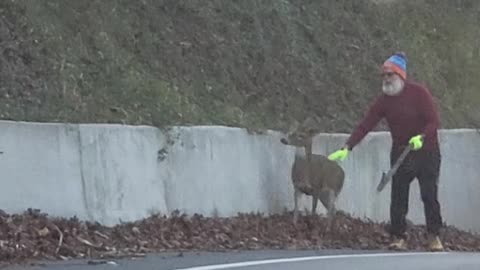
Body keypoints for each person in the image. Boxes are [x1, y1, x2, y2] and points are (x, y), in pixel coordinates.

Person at [327, 52, 444, 251]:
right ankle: (398, 236)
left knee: (429, 194)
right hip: (400, 152)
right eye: (383, 75)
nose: (386, 79)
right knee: (398, 196)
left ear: (400, 75)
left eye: (389, 75)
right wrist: (348, 147)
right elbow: (366, 124)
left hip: (427, 152)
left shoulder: (419, 93)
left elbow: (434, 121)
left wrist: (421, 137)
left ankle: (434, 236)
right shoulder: (383, 101)